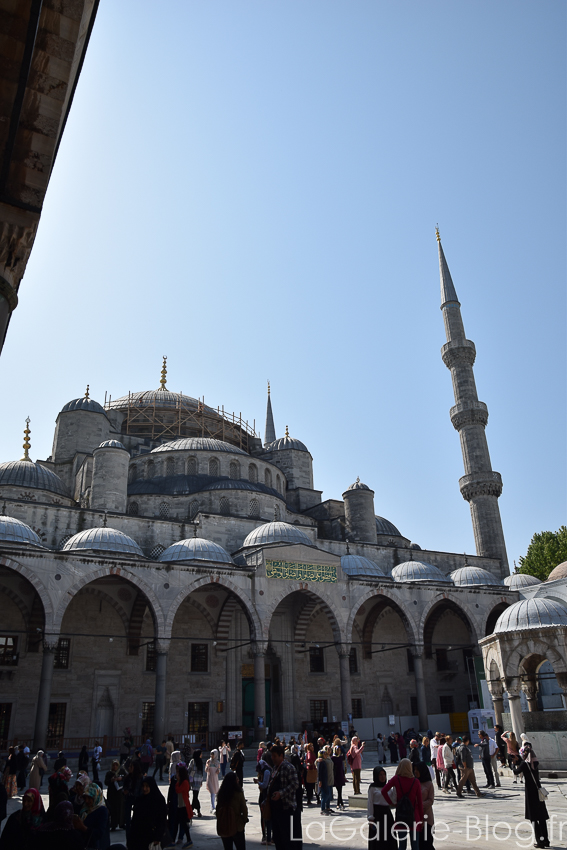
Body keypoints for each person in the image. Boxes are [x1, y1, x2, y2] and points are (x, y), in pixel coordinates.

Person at [381, 759, 423, 850]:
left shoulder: (396, 779)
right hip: (414, 816)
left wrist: (391, 803)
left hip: (401, 814)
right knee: (415, 846)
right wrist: (422, 818)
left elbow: (384, 791)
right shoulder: (416, 782)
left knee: (402, 845)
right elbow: (420, 802)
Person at [512, 748, 549, 848]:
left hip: (531, 792)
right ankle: (545, 840)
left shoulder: (525, 764)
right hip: (538, 791)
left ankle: (539, 841)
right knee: (541, 817)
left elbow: (516, 772)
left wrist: (513, 763)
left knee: (534, 818)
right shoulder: (535, 763)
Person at [266, 745, 299, 850]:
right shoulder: (275, 768)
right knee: (278, 838)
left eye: (275, 756)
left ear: (281, 756)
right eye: (272, 756)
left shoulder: (288, 767)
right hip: (276, 810)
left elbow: (295, 784)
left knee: (287, 840)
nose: (272, 758)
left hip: (287, 808)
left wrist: (281, 793)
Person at [128, 774, 168, 849]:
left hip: (151, 837)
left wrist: (158, 837)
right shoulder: (140, 799)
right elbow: (135, 819)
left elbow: (162, 820)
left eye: (147, 786)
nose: (144, 789)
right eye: (143, 786)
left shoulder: (158, 800)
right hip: (138, 837)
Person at [216, 770, 248, 850]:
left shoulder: (221, 794)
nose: (238, 780)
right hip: (237, 825)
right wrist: (244, 820)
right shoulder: (238, 793)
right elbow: (244, 809)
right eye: (236, 779)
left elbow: (217, 810)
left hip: (224, 825)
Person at [367, 766, 395, 850]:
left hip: (387, 814)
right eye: (380, 775)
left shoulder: (388, 787)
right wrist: (371, 818)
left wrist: (394, 787)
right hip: (377, 815)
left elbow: (393, 800)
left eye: (384, 774)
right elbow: (370, 802)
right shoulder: (373, 787)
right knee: (378, 839)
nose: (383, 777)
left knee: (389, 838)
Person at [75, 782, 110, 849]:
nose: (87, 801)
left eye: (90, 798)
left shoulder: (102, 810)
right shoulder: (85, 808)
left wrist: (83, 827)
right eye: (85, 798)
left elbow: (99, 833)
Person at [414, 761, 435, 850]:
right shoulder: (414, 782)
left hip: (427, 817)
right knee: (418, 843)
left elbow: (430, 800)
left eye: (417, 770)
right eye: (414, 770)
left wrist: (419, 804)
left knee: (427, 842)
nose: (415, 772)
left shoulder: (429, 784)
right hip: (416, 817)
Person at [123, 758, 143, 838]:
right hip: (128, 799)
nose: (129, 768)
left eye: (131, 767)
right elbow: (125, 786)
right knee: (127, 821)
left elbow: (137, 791)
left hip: (137, 800)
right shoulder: (128, 777)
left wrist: (129, 792)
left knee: (136, 820)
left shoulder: (139, 778)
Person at [254, 759, 272, 845]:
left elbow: (264, 785)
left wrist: (258, 782)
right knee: (264, 817)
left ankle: (268, 837)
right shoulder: (265, 771)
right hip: (263, 796)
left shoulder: (267, 772)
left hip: (266, 796)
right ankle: (266, 835)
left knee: (267, 817)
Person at [104, 759, 125, 830]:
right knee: (113, 809)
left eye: (116, 765)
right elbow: (106, 782)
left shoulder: (121, 772)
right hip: (112, 793)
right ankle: (113, 824)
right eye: (114, 765)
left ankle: (121, 823)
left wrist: (121, 778)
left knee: (120, 808)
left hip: (119, 793)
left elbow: (126, 778)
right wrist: (111, 780)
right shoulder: (109, 773)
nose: (115, 766)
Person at [188, 749, 203, 817]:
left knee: (195, 796)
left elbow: (189, 769)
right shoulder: (199, 761)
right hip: (198, 780)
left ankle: (193, 809)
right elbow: (202, 773)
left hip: (193, 780)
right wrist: (201, 781)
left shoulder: (193, 761)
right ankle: (195, 810)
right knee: (195, 795)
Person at [316, 748, 332, 815]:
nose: (326, 755)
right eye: (324, 754)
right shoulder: (320, 762)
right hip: (322, 780)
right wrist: (320, 781)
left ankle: (326, 808)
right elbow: (319, 772)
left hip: (325, 780)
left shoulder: (323, 761)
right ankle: (322, 809)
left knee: (327, 794)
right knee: (325, 795)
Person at [331, 743, 346, 810]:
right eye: (337, 750)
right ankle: (341, 804)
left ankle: (339, 804)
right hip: (335, 775)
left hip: (340, 774)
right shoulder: (333, 758)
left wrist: (344, 775)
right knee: (338, 790)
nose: (338, 751)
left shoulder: (340, 757)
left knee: (340, 790)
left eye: (339, 750)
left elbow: (342, 767)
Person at [304, 742, 317, 806]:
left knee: (313, 785)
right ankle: (311, 799)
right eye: (311, 746)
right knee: (312, 785)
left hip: (312, 770)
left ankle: (313, 799)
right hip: (311, 770)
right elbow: (309, 759)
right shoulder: (309, 753)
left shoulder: (312, 753)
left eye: (313, 746)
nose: (313, 747)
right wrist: (312, 763)